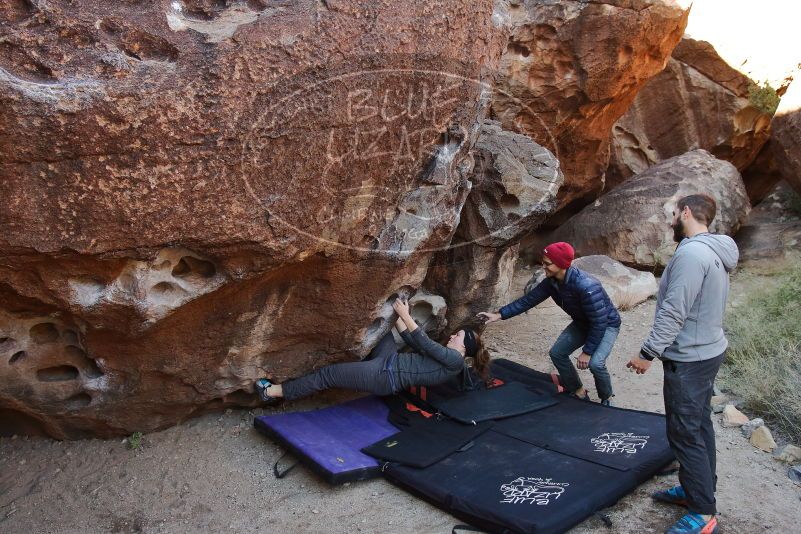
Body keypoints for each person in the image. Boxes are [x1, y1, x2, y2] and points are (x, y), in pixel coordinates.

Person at [626, 194, 737, 534]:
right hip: (708, 350)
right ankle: (697, 490)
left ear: (686, 212)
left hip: (689, 358)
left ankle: (703, 513)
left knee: (685, 433)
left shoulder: (691, 253)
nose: (670, 220)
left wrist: (647, 353)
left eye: (673, 214)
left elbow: (675, 311)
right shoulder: (717, 249)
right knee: (698, 425)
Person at [255, 297, 490, 402]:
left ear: (464, 347)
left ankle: (273, 392)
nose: (452, 336)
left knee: (329, 375)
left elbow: (424, 342)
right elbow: (415, 342)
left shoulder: (455, 361)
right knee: (381, 331)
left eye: (457, 336)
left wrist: (406, 315)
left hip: (384, 376)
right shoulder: (450, 358)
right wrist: (397, 316)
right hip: (390, 360)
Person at [478, 241, 621, 405]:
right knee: (557, 353)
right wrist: (499, 315)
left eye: (547, 263)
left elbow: (599, 322)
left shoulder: (586, 286)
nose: (542, 266)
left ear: (561, 265)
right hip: (583, 322)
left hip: (606, 324)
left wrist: (587, 351)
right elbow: (527, 301)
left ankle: (606, 397)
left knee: (596, 363)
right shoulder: (552, 283)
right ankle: (577, 390)